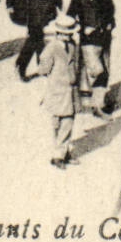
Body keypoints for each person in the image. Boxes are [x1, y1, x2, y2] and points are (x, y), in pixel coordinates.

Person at [66, 0, 116, 117]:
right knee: (97, 72)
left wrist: (110, 24)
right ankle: (97, 106)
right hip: (88, 41)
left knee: (104, 71)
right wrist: (82, 28)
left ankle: (97, 104)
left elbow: (111, 14)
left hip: (104, 40)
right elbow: (69, 17)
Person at [36, 14, 79, 168]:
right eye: (65, 34)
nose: (67, 37)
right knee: (57, 123)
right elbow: (42, 69)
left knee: (68, 121)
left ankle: (60, 155)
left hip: (70, 91)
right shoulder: (51, 48)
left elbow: (77, 65)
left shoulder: (73, 45)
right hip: (56, 91)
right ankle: (60, 152)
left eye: (69, 34)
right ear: (58, 33)